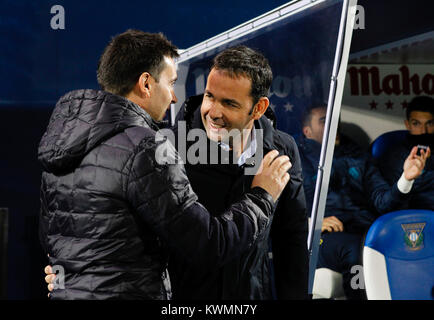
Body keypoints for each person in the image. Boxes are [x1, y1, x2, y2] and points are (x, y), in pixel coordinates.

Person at [38, 30, 293, 300]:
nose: (174, 97)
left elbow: (54, 242)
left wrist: (68, 276)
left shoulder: (62, 143)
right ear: (146, 83)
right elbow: (208, 245)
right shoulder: (149, 147)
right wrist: (262, 196)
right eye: (171, 83)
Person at [167, 46, 309, 300]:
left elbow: (291, 239)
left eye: (229, 103)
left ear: (258, 108)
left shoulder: (282, 149)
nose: (213, 112)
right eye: (210, 96)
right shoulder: (172, 148)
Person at [297, 105, 430, 299]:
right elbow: (283, 205)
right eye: (324, 120)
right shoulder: (296, 159)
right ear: (307, 131)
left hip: (364, 229)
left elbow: (383, 201)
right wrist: (312, 223)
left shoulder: (359, 157)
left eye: (334, 118)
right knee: (355, 250)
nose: (333, 123)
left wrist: (406, 179)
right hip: (320, 236)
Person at [376, 96, 433, 210]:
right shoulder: (393, 156)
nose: (423, 130)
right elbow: (388, 204)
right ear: (407, 124)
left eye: (430, 123)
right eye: (416, 123)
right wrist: (407, 179)